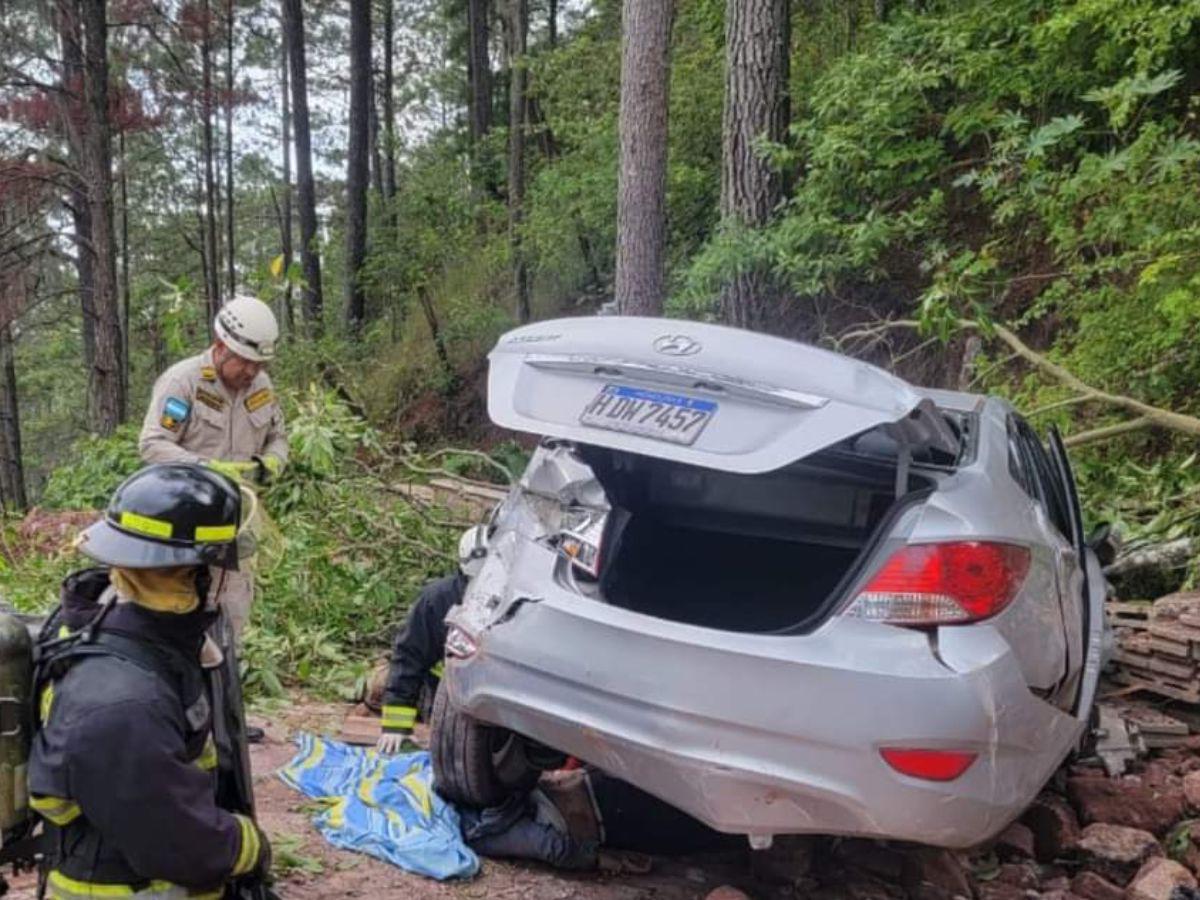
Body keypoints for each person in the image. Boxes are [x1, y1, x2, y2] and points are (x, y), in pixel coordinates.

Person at [28, 463, 272, 899]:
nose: (228, 579)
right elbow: (176, 841)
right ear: (192, 573)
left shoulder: (124, 623)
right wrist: (247, 847)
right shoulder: (122, 701)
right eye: (222, 566)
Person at [138, 294, 288, 642]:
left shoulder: (262, 387)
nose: (252, 372)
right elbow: (151, 443)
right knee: (180, 606)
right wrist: (206, 467)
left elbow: (279, 436)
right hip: (184, 518)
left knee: (234, 610)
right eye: (245, 362)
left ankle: (226, 678)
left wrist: (272, 463)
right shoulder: (184, 382)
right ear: (220, 346)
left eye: (259, 364)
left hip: (237, 518)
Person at [376, 524, 489, 753]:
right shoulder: (437, 601)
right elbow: (409, 656)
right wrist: (396, 726)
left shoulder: (520, 604)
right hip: (445, 695)